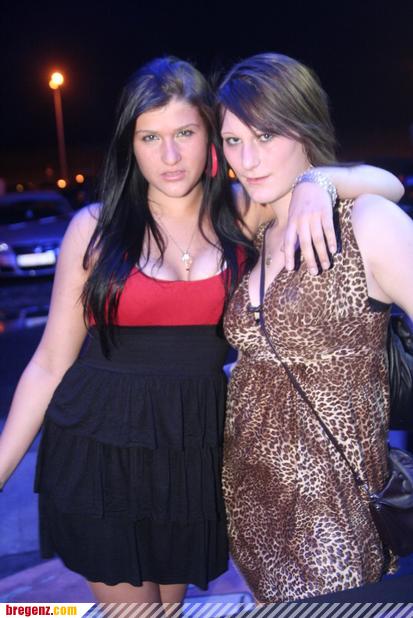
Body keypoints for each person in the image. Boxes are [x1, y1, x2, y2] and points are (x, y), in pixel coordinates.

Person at [0, 56, 405, 604]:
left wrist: (318, 180)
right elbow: (49, 364)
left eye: (185, 133)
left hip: (193, 453)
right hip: (102, 448)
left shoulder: (242, 215)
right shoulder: (95, 229)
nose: (169, 156)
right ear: (131, 145)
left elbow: (385, 185)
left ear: (209, 139)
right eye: (150, 137)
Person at [218, 52, 413, 603]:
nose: (247, 159)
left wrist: (320, 178)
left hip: (334, 521)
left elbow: (390, 185)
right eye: (233, 141)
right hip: (252, 507)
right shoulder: (258, 226)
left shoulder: (365, 222)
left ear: (303, 125)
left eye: (266, 135)